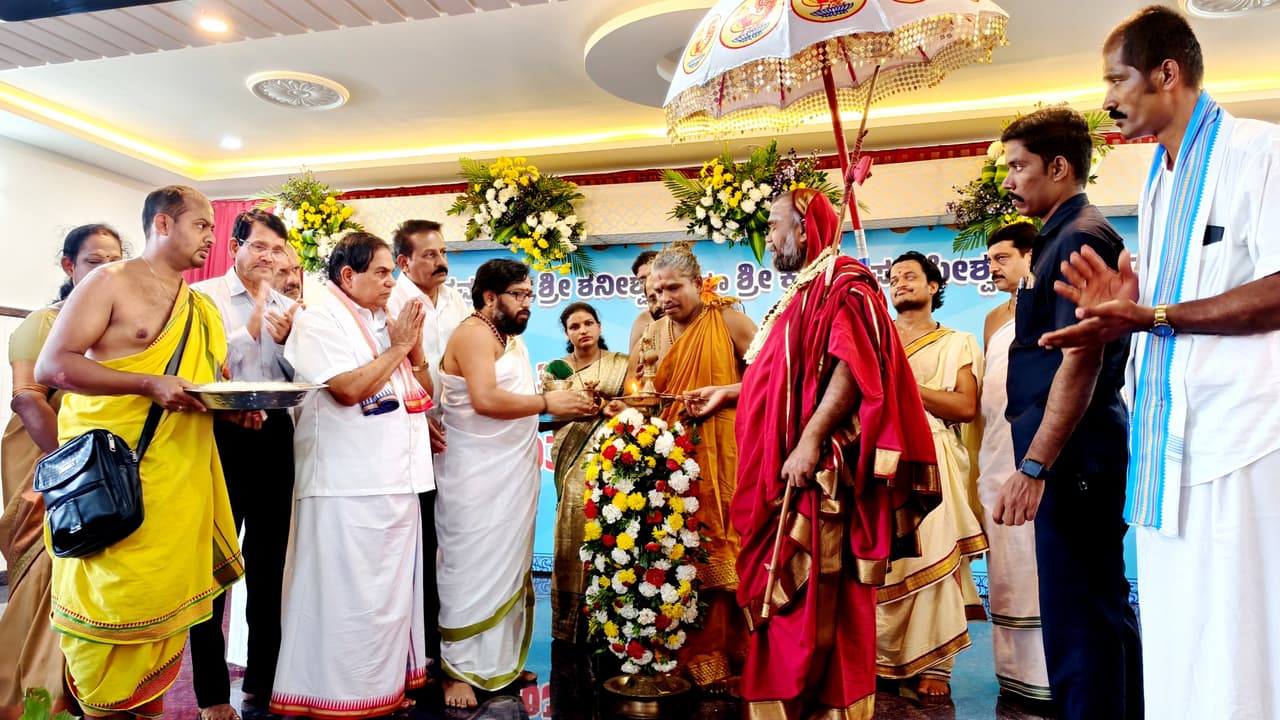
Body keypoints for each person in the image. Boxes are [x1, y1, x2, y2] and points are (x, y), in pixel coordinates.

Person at [1040, 7, 1280, 716]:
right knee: (1179, 638)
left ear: (1167, 73)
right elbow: (1162, 305)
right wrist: (1120, 313)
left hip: (1240, 441)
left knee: (1238, 638)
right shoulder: (1160, 180)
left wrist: (1154, 317)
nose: (1107, 99)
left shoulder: (1259, 152)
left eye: (1117, 80)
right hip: (1168, 449)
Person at [687, 189, 940, 719]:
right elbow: (786, 378)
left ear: (804, 228)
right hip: (772, 467)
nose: (769, 237)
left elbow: (854, 366)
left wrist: (809, 441)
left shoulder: (845, 281)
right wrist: (728, 393)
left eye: (775, 225)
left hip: (810, 471)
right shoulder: (803, 291)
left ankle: (817, 707)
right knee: (780, 603)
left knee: (811, 604)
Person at [33, 186, 245, 719]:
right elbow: (53, 366)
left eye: (213, 228)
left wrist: (234, 410)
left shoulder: (202, 309)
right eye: (201, 225)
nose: (211, 238)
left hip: (177, 490)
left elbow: (197, 389)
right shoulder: (111, 282)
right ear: (163, 224)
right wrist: (146, 384)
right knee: (110, 622)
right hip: (113, 485)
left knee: (160, 633)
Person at [992, 105, 1142, 719]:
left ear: (1058, 167)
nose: (1008, 180)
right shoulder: (1061, 234)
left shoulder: (1080, 237)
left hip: (1072, 457)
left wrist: (1035, 466)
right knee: (1092, 612)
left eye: (1018, 166)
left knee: (1081, 621)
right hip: (1071, 454)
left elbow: (1080, 362)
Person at [270, 232, 434, 719]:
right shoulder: (318, 320)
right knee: (345, 600)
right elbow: (346, 389)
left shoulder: (384, 321)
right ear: (348, 275)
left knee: (389, 599)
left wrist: (414, 351)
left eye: (391, 274)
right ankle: (336, 696)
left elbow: (426, 391)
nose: (390, 282)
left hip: (397, 478)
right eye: (381, 272)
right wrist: (399, 346)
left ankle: (381, 689)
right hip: (345, 484)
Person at [435, 259, 596, 709]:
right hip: (474, 474)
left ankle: (498, 662)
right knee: (471, 566)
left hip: (512, 471)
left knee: (508, 564)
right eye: (519, 295)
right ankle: (456, 672)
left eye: (530, 295)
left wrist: (562, 411)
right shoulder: (473, 334)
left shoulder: (510, 339)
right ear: (490, 296)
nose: (528, 303)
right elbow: (485, 400)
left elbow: (514, 407)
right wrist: (549, 402)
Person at [0, 224, 123, 720]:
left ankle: (91, 693)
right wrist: (76, 475)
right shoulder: (44, 323)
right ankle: (33, 698)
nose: (106, 270)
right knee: (45, 579)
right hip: (51, 468)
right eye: (95, 261)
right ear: (70, 267)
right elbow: (28, 400)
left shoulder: (114, 325)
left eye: (115, 260)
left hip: (99, 467)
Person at [625, 244, 756, 691]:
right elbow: (639, 390)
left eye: (674, 288)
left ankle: (729, 655)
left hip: (724, 454)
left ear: (698, 284)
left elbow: (773, 378)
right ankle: (678, 653)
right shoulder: (651, 333)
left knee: (723, 549)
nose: (664, 298)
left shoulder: (730, 322)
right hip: (669, 456)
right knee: (675, 552)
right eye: (657, 290)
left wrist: (725, 391)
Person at [189, 209, 300, 720]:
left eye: (277, 250)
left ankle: (263, 681)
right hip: (219, 435)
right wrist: (252, 319)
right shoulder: (203, 298)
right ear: (235, 246)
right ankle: (212, 694)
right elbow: (201, 368)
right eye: (259, 247)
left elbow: (303, 375)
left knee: (269, 564)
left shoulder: (289, 306)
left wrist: (292, 339)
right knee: (212, 566)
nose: (269, 258)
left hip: (274, 435)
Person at [877, 251, 986, 699]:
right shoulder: (875, 340)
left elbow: (965, 406)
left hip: (934, 457)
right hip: (879, 459)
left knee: (933, 557)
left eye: (910, 276)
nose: (899, 283)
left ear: (934, 286)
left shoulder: (957, 342)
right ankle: (878, 658)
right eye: (893, 278)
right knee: (882, 561)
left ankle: (935, 665)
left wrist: (907, 387)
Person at [387, 219, 470, 672]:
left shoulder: (455, 299)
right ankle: (418, 650)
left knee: (453, 539)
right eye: (430, 255)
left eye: (443, 253)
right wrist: (420, 420)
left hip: (455, 433)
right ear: (404, 262)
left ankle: (448, 642)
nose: (441, 262)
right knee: (418, 543)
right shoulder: (391, 301)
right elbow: (387, 370)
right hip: (408, 435)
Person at [976, 221, 1052, 707]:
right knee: (1004, 562)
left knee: (1037, 561)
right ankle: (1013, 675)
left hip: (1034, 454)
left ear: (1030, 256)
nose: (993, 267)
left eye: (1002, 258)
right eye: (989, 260)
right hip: (996, 452)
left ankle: (1048, 675)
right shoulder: (991, 320)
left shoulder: (1050, 303)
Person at [548, 302, 629, 644]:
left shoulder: (621, 364)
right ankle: (569, 624)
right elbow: (552, 414)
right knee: (573, 524)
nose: (582, 330)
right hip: (571, 458)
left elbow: (636, 404)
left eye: (588, 323)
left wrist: (613, 407)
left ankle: (612, 617)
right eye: (574, 326)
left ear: (599, 327)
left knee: (612, 528)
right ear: (567, 334)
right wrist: (586, 406)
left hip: (612, 457)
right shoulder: (557, 369)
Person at [626, 249, 661, 353]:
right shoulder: (642, 320)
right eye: (642, 279)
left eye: (652, 275)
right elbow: (633, 361)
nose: (648, 282)